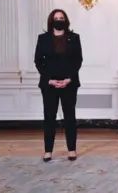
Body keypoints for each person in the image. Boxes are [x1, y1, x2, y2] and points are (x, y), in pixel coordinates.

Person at [34, 9, 83, 162]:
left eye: (61, 18)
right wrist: (48, 79)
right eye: (56, 18)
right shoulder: (43, 39)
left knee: (70, 117)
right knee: (49, 117)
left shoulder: (74, 38)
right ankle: (48, 151)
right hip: (49, 84)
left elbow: (78, 60)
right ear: (51, 21)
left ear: (66, 20)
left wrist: (69, 78)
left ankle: (72, 150)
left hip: (69, 83)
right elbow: (38, 61)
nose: (59, 20)